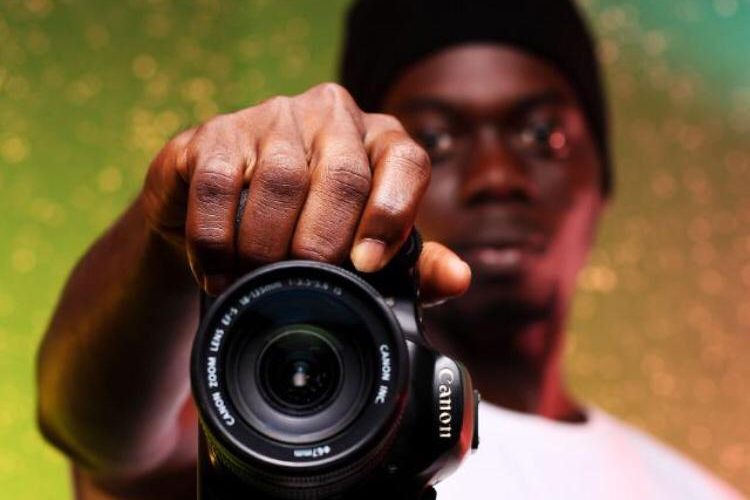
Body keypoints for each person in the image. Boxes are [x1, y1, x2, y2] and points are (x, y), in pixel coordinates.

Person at [36, 0, 744, 498]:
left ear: (603, 177)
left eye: (542, 134)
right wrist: (173, 230)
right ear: (364, 167)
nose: (497, 176)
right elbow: (98, 434)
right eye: (434, 137)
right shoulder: (270, 427)